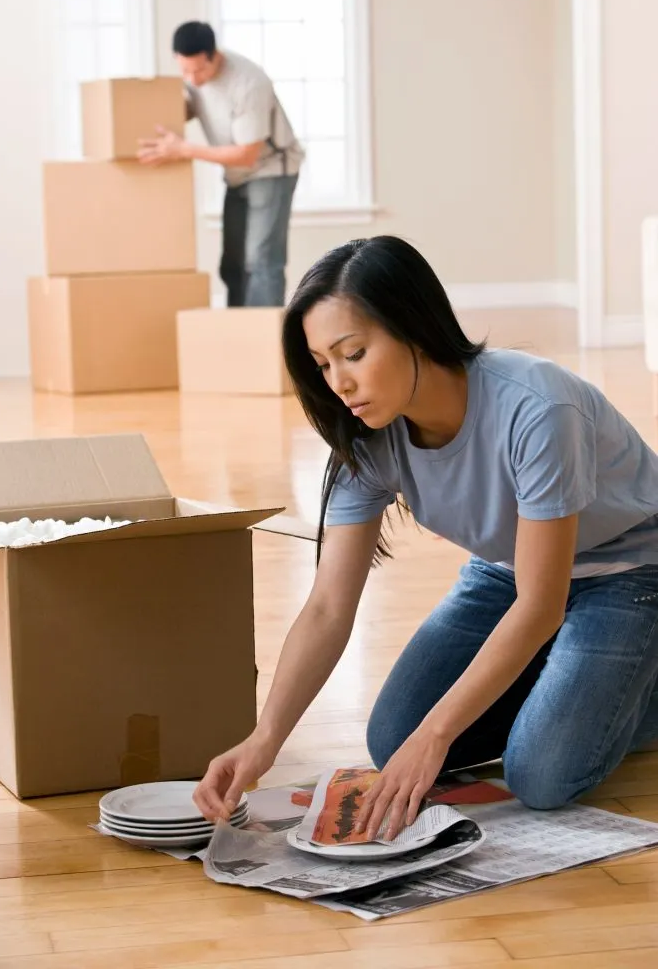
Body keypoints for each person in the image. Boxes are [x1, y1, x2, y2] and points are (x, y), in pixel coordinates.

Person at [193, 234, 658, 841]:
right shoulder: (368, 439)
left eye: (353, 353)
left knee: (541, 776)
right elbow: (330, 606)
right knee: (393, 739)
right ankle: (572, 679)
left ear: (414, 327)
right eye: (323, 364)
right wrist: (264, 740)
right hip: (506, 569)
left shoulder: (538, 408)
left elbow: (540, 606)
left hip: (626, 573)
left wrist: (438, 735)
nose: (338, 382)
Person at [137, 21, 303, 307]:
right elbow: (191, 105)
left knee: (261, 261)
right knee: (233, 262)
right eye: (185, 70)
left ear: (215, 55)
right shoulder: (194, 76)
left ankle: (263, 338)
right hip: (236, 175)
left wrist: (183, 149)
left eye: (199, 70)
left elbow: (247, 154)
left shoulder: (248, 83)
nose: (193, 78)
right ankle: (235, 332)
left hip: (271, 170)